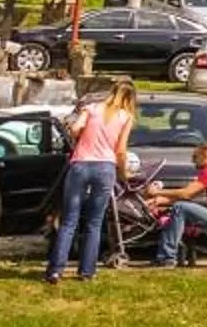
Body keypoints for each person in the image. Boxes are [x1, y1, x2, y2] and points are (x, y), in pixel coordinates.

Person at [44, 78, 137, 285]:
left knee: (69, 220)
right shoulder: (126, 117)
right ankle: (87, 271)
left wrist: (79, 131)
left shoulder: (92, 108)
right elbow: (121, 149)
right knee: (94, 222)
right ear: (130, 99)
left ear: (111, 91)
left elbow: (75, 129)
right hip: (105, 167)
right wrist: (123, 173)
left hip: (80, 164)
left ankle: (55, 270)